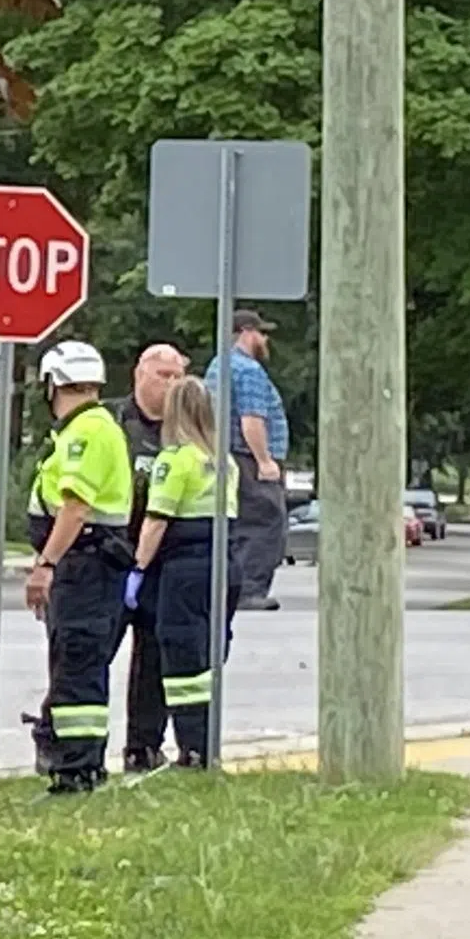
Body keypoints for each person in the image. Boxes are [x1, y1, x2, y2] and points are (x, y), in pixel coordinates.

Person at [20, 339, 135, 792]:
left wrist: (45, 564)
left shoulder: (87, 432)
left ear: (53, 383)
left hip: (85, 564)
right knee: (74, 661)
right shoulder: (87, 428)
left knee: (78, 664)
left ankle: (78, 771)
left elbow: (75, 508)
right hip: (84, 563)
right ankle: (75, 762)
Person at [129, 367, 237, 766]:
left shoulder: (174, 461)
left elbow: (157, 521)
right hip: (223, 565)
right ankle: (205, 745)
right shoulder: (223, 462)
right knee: (208, 654)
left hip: (184, 571)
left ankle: (192, 750)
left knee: (181, 660)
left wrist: (138, 570)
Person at [117, 342, 187, 770]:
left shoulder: (187, 429)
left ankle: (143, 746)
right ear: (139, 375)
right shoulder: (113, 422)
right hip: (111, 551)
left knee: (154, 657)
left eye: (178, 376)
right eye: (164, 375)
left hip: (164, 560)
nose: (172, 384)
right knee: (88, 652)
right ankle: (65, 746)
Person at [206, 311, 292, 610]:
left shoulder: (219, 366)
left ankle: (231, 588)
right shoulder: (249, 370)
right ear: (246, 332)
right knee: (266, 523)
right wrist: (265, 461)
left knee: (238, 525)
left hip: (226, 456)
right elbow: (252, 420)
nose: (265, 340)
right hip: (248, 459)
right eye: (261, 333)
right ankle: (250, 590)